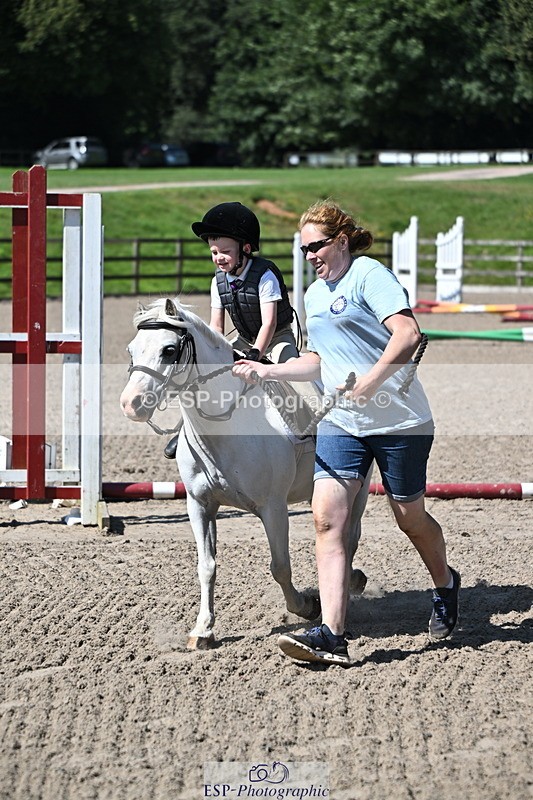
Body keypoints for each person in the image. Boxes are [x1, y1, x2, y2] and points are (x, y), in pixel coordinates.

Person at [233, 199, 460, 666]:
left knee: (409, 518)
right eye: (302, 250)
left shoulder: (368, 276)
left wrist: (371, 381)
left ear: (340, 241)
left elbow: (408, 333)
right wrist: (267, 371)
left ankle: (445, 583)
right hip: (341, 422)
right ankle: (332, 634)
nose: (309, 256)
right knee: (327, 520)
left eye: (315, 246)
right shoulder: (315, 296)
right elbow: (320, 360)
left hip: (400, 421)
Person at [163, 201, 299, 459]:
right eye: (214, 252)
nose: (218, 258)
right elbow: (216, 327)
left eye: (224, 251)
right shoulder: (218, 281)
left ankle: (311, 430)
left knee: (294, 376)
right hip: (244, 340)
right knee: (204, 376)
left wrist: (256, 354)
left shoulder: (265, 275)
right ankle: (184, 430)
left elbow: (269, 323)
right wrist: (214, 354)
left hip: (277, 339)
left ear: (245, 249)